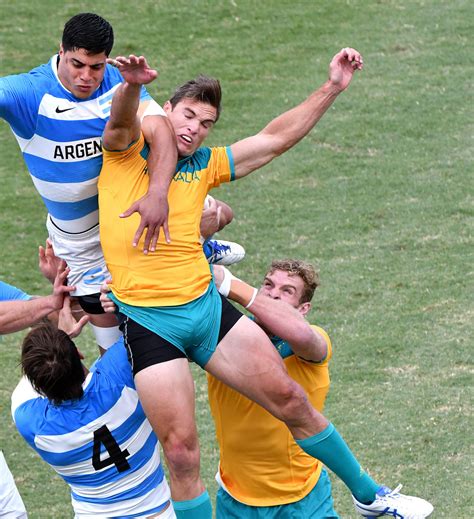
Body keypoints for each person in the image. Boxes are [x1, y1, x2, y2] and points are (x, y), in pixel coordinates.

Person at [98, 51, 433, 518]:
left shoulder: (206, 165)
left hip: (205, 309)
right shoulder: (123, 154)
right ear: (166, 111)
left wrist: (332, 87)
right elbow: (118, 122)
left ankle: (370, 496)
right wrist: (132, 87)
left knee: (292, 399)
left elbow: (274, 139)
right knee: (181, 453)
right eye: (188, 115)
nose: (195, 128)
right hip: (152, 323)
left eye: (207, 122)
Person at [0, 12, 177, 352]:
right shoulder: (30, 94)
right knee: (117, 351)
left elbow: (161, 129)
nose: (86, 77)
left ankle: (203, 247)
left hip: (133, 222)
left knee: (214, 212)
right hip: (81, 247)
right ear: (61, 51)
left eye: (95, 67)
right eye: (76, 64)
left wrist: (157, 193)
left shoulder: (119, 82)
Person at [11, 303, 176, 518]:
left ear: (38, 385)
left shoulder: (31, 423)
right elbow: (149, 319)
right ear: (78, 354)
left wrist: (60, 339)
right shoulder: (120, 377)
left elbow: (33, 380)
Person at [208, 260, 338, 518]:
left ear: (304, 309)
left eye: (287, 291)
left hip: (302, 500)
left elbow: (301, 336)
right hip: (235, 499)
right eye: (268, 285)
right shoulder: (224, 337)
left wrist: (230, 284)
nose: (273, 293)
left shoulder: (313, 342)